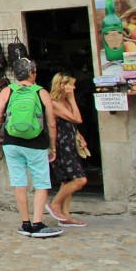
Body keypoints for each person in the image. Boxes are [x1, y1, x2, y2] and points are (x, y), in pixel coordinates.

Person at [0, 57, 62, 238]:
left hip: (12, 143)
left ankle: (25, 223)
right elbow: (51, 123)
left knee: (19, 183)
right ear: (31, 73)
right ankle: (37, 224)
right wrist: (52, 147)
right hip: (36, 143)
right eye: (34, 72)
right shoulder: (41, 92)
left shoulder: (7, 91)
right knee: (41, 183)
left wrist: (10, 119)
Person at [45, 73, 88, 227]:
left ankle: (65, 216)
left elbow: (72, 123)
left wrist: (80, 136)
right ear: (62, 86)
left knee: (68, 181)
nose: (74, 88)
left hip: (70, 144)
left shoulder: (66, 103)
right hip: (61, 146)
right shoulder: (54, 103)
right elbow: (78, 119)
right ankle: (55, 204)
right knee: (79, 180)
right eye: (71, 85)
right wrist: (72, 98)